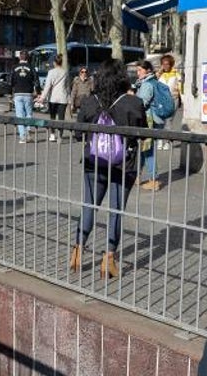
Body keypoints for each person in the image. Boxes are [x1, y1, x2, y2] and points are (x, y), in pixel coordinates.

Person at [69, 59, 146, 279]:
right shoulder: (133, 103)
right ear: (123, 78)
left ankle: (77, 252)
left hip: (94, 162)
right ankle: (108, 260)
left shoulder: (89, 101)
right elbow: (144, 133)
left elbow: (76, 133)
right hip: (124, 165)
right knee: (116, 211)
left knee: (89, 206)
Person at [134, 60, 165, 190]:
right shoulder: (148, 82)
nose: (137, 73)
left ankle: (154, 180)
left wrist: (132, 99)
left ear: (147, 70)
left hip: (149, 121)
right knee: (144, 148)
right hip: (151, 120)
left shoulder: (147, 85)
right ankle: (136, 175)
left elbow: (142, 103)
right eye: (137, 70)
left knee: (148, 151)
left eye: (140, 70)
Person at [37, 53, 69, 142]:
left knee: (52, 117)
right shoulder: (65, 72)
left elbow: (47, 86)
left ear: (54, 63)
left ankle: (52, 134)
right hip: (63, 97)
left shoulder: (51, 72)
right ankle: (60, 136)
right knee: (61, 118)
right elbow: (67, 87)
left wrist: (42, 98)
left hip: (53, 98)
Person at [10, 52, 39, 144]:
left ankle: (22, 137)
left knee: (19, 115)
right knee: (29, 114)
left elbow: (11, 80)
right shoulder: (31, 68)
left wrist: (11, 91)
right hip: (28, 93)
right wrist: (38, 92)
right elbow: (36, 81)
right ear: (28, 58)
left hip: (18, 93)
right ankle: (29, 130)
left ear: (19, 58)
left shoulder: (14, 68)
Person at [157, 54, 182, 150]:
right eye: (163, 64)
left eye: (167, 64)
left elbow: (181, 88)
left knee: (168, 120)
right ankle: (159, 140)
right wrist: (159, 72)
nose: (165, 66)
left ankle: (167, 141)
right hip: (161, 100)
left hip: (173, 99)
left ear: (171, 64)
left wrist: (183, 100)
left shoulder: (176, 74)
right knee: (160, 120)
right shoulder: (159, 74)